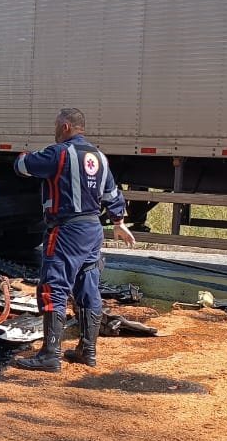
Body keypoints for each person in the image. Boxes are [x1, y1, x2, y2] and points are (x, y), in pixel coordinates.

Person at [12, 108, 135, 372]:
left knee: (53, 286)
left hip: (67, 230)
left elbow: (22, 167)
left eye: (57, 125)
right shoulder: (100, 157)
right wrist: (119, 223)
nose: (55, 130)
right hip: (93, 230)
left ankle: (50, 355)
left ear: (66, 126)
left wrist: (23, 154)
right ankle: (87, 350)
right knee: (88, 287)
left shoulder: (59, 153)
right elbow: (113, 193)